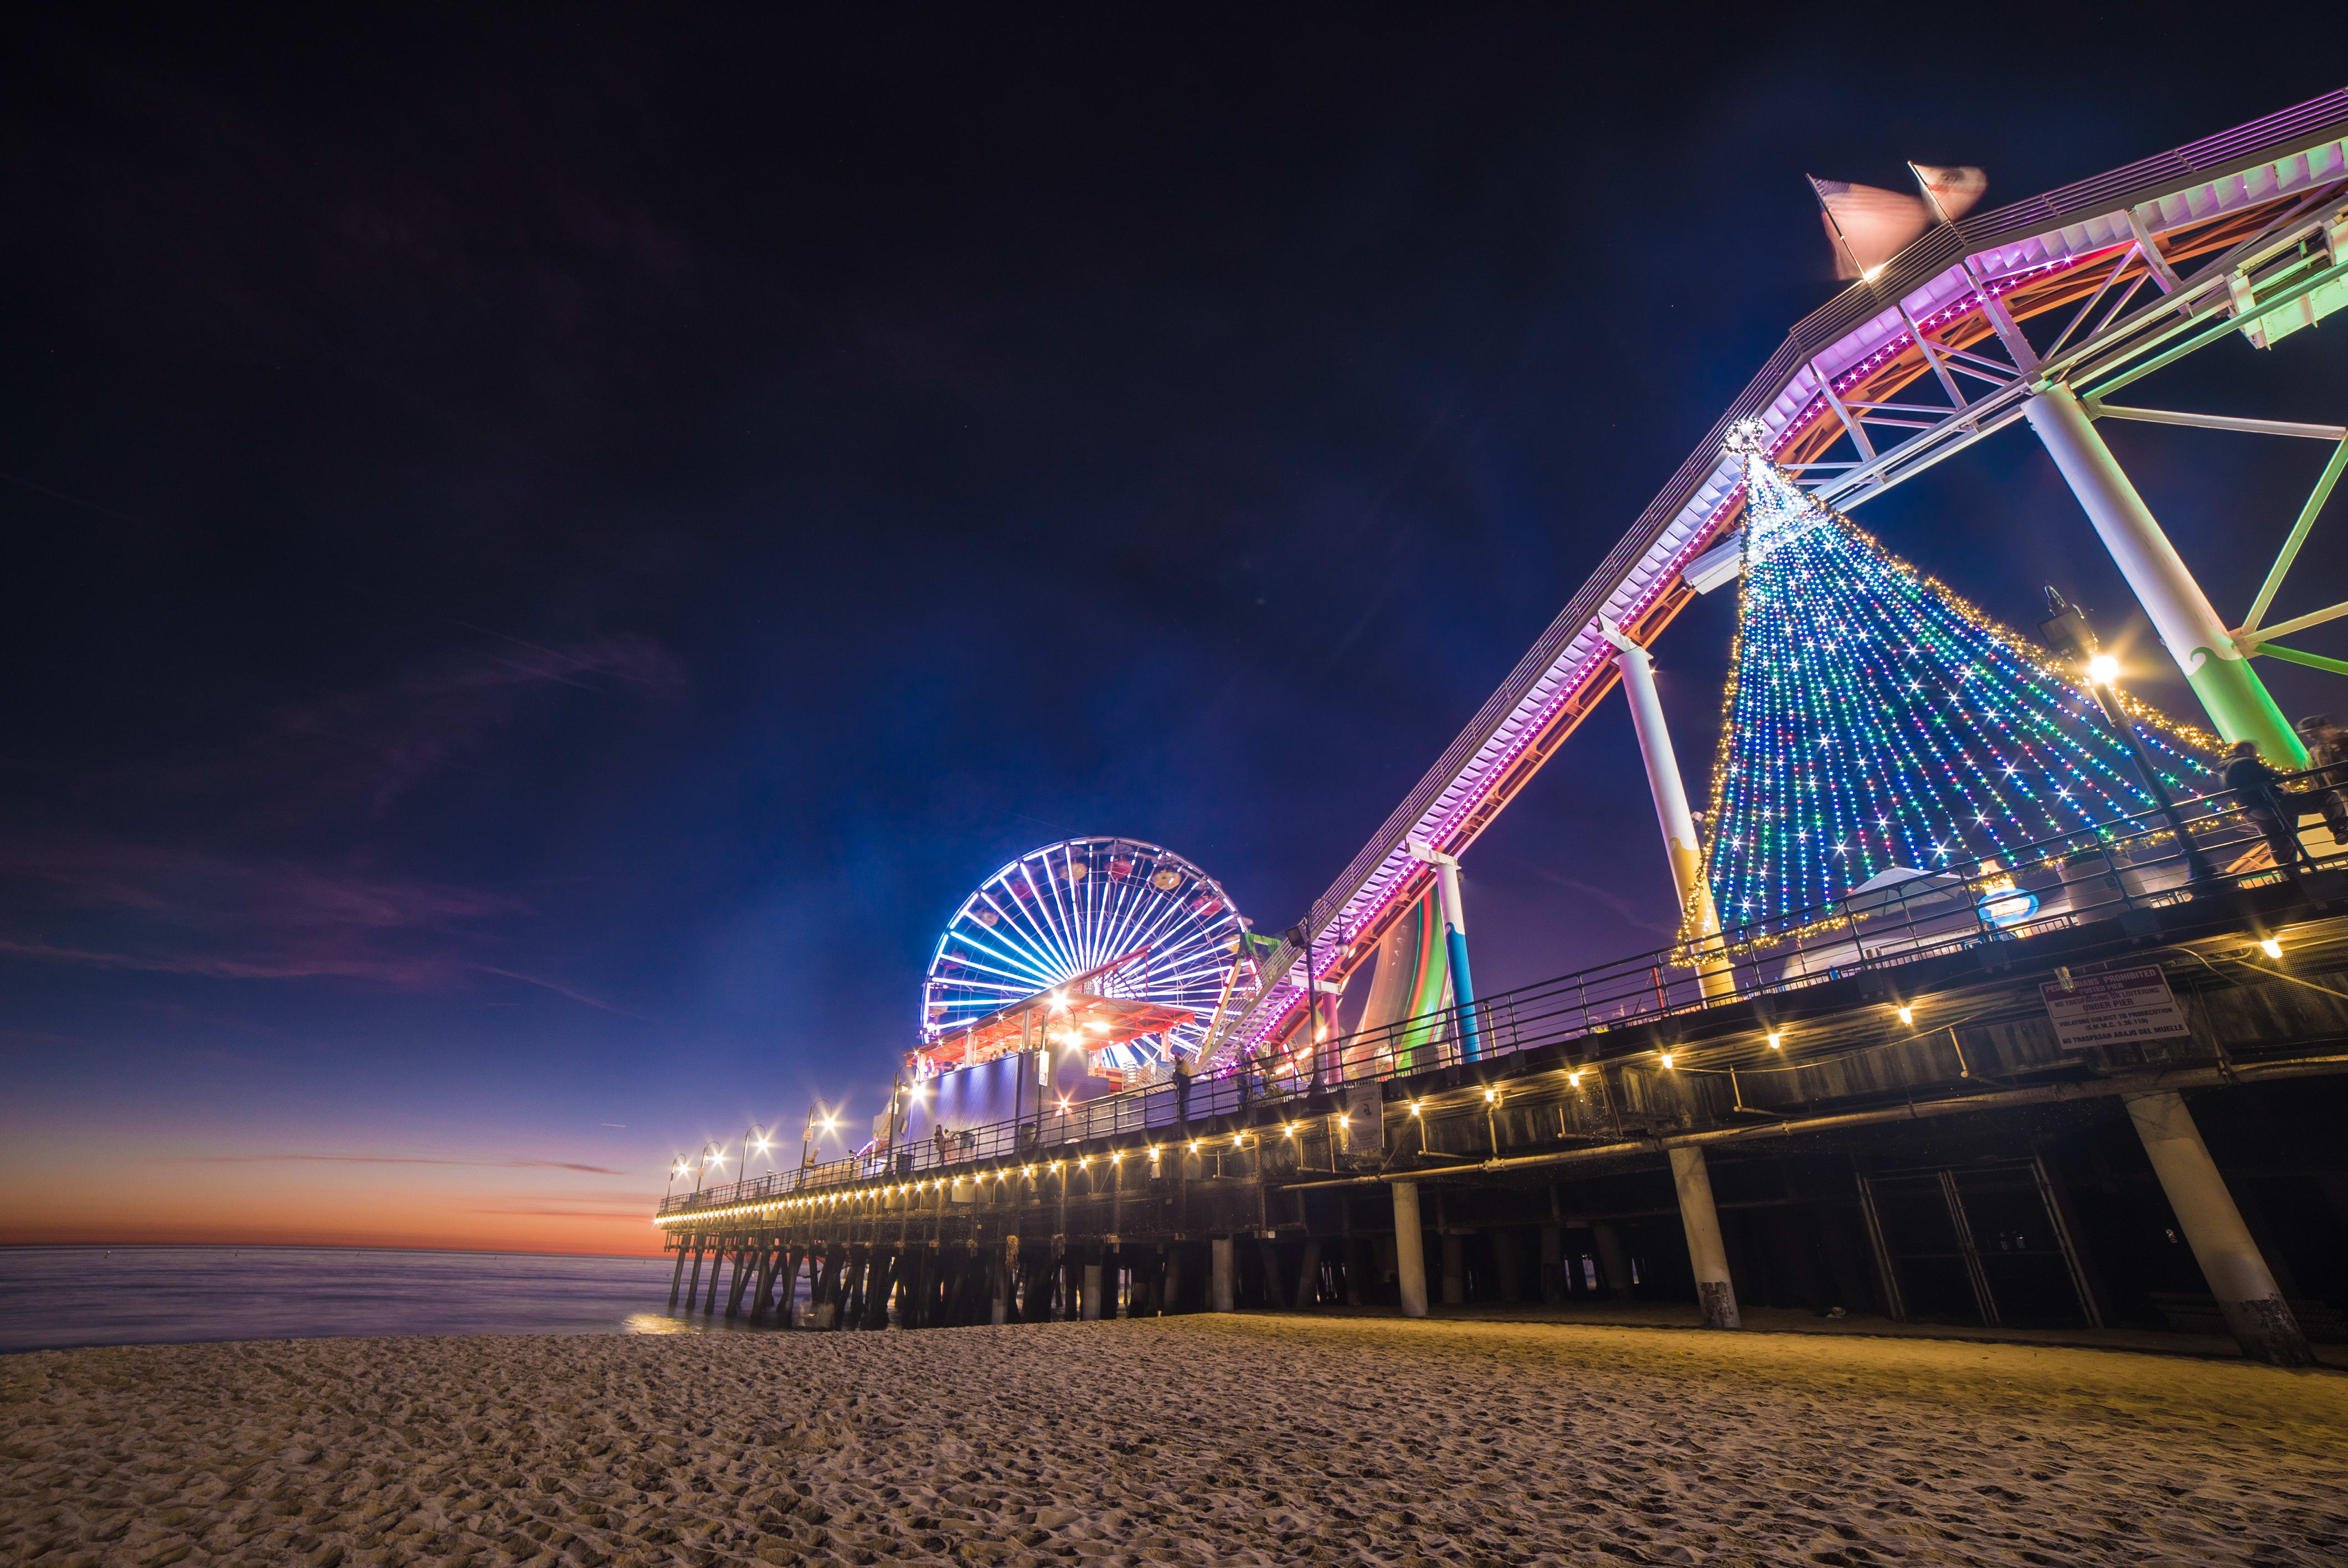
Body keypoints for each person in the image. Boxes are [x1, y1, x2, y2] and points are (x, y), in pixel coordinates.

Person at [2224, 740, 2319, 871]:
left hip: (2250, 811)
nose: (2255, 754)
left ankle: (2291, 874)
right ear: (2246, 750)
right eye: (2253, 751)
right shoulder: (2245, 762)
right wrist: (2281, 777)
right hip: (2267, 803)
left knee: (2279, 840)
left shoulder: (2224, 770)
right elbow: (2267, 774)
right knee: (2324, 798)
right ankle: (2340, 828)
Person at [2296, 714, 2348, 844]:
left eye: (2314, 733)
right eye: (2308, 735)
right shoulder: (2317, 752)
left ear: (2326, 727)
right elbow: (2317, 779)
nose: (2311, 737)